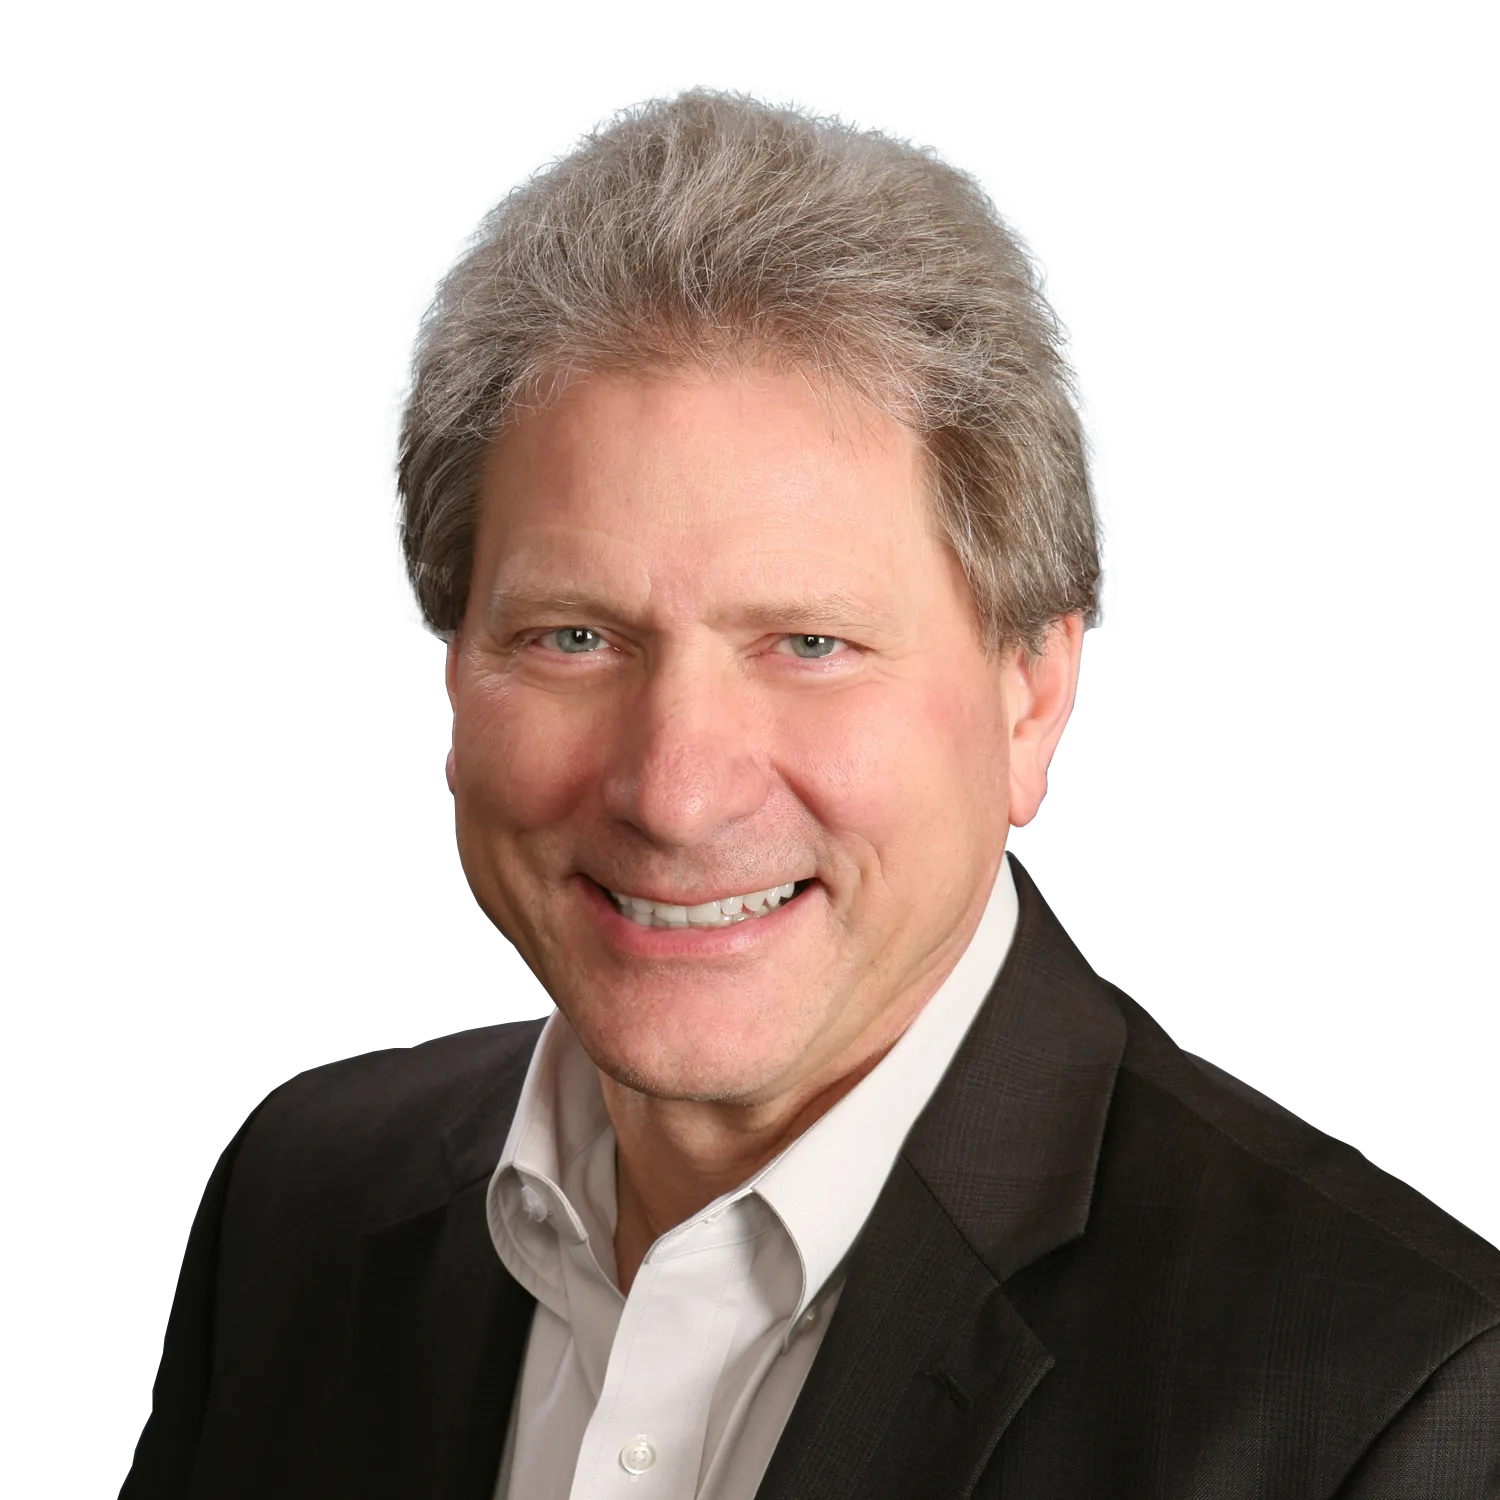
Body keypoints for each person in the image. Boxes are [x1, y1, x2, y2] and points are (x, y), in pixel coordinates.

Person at [121, 90, 1497, 1500]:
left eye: (811, 645)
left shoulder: (1379, 1394)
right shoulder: (301, 1199)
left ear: (1032, 692)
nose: (675, 790)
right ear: (456, 667)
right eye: (574, 637)